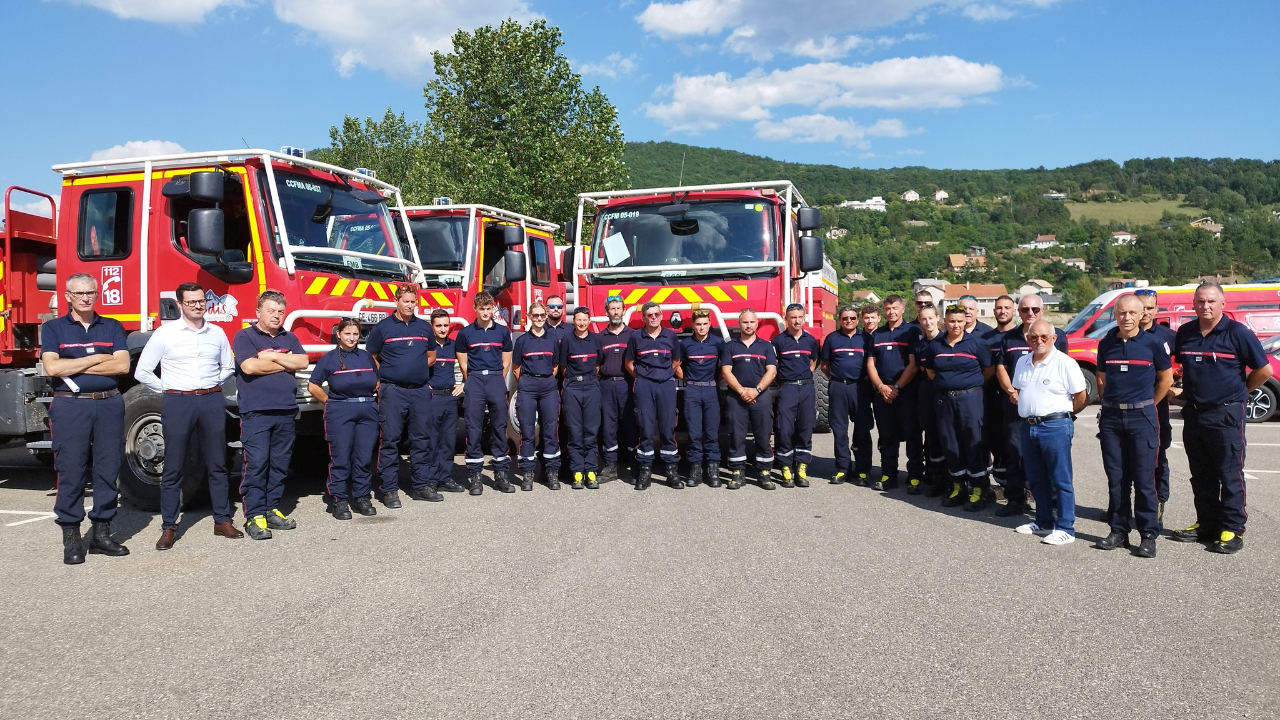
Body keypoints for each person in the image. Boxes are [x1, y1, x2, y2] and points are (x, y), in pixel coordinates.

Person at [136, 282, 239, 551]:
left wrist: (212, 384)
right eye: (191, 302)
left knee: (217, 463)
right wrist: (169, 390)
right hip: (178, 401)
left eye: (201, 301)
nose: (197, 305)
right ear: (180, 304)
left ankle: (222, 520)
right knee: (173, 467)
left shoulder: (216, 333)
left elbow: (228, 365)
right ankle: (169, 526)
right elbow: (143, 371)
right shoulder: (165, 334)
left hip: (211, 400)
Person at [1171, 282, 1272, 554]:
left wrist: (1240, 391)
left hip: (1226, 413)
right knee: (1200, 475)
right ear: (1193, 304)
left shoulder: (1238, 333)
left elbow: (1263, 369)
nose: (1206, 306)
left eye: (1212, 301)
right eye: (1201, 301)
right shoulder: (1186, 333)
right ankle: (1207, 524)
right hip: (1193, 413)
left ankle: (1232, 529)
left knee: (1230, 474)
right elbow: (1182, 367)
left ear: (1223, 304)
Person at [42, 273, 131, 564]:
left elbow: (122, 364)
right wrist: (97, 358)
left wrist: (75, 366)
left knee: (108, 469)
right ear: (68, 296)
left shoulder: (113, 326)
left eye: (90, 293)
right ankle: (71, 538)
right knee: (72, 471)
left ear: (97, 294)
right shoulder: (54, 328)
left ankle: (101, 534)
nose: (85, 298)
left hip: (108, 404)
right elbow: (53, 369)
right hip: (71, 407)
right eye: (79, 293)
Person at [1094, 294, 1173, 558]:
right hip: (1112, 419)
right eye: (1121, 313)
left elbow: (1166, 378)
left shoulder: (1153, 343)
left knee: (1144, 479)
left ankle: (1148, 534)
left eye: (1131, 313)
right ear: (1114, 315)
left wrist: (1149, 403)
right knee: (1116, 479)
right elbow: (1102, 378)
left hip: (1142, 418)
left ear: (1141, 315)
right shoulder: (1107, 344)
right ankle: (1118, 530)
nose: (1126, 317)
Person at [233, 290, 309, 539]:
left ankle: (271, 508)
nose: (276, 316)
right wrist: (284, 361)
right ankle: (254, 516)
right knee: (256, 464)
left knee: (279, 464)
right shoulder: (245, 336)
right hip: (257, 412)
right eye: (271, 311)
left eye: (280, 311)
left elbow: (302, 362)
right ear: (258, 312)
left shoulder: (290, 337)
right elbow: (249, 366)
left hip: (286, 410)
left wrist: (272, 356)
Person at [1012, 319, 1088, 546]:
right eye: (1034, 337)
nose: (1039, 341)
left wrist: (1063, 418)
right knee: (1036, 477)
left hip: (1054, 426)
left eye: (1044, 337)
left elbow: (1081, 396)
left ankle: (1066, 527)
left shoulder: (1065, 363)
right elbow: (1019, 389)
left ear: (1054, 338)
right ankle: (1043, 520)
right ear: (1028, 339)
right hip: (1028, 425)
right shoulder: (1022, 362)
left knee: (1061, 479)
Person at [994, 294, 1068, 516]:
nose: (1030, 313)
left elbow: (1061, 368)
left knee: (1048, 457)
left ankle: (1053, 505)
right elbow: (1001, 368)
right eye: (1025, 310)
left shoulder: (1058, 336)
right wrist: (1011, 391)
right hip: (1015, 405)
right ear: (1019, 312)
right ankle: (1015, 500)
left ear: (1042, 311)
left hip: (1046, 410)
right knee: (1015, 454)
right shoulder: (1009, 338)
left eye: (1035, 309)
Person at [366, 285, 438, 507]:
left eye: (413, 301)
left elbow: (432, 355)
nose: (409, 305)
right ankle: (388, 490)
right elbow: (371, 355)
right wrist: (388, 372)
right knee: (390, 441)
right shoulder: (383, 328)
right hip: (392, 391)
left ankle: (421, 485)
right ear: (396, 301)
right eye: (405, 301)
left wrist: (415, 369)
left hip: (419, 390)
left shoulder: (424, 328)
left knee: (422, 439)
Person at [922, 304, 994, 510]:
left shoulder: (977, 343)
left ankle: (979, 488)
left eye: (960, 321)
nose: (955, 325)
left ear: (966, 322)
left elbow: (987, 370)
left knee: (974, 441)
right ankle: (958, 486)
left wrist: (968, 385)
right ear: (944, 321)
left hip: (970, 400)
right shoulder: (935, 345)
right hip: (944, 401)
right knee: (950, 443)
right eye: (952, 321)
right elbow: (930, 372)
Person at [307, 319, 379, 520]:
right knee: (341, 458)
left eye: (355, 334)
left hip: (367, 410)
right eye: (347, 334)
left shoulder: (366, 357)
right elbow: (313, 386)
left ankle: (362, 496)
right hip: (341, 409)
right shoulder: (330, 359)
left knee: (363, 458)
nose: (352, 338)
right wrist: (329, 402)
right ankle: (339, 499)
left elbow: (377, 380)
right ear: (338, 334)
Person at [457, 292, 515, 494]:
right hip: (475, 380)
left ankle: (501, 474)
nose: (485, 312)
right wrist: (471, 379)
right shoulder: (465, 333)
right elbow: (463, 362)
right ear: (475, 308)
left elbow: (506, 359)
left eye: (488, 308)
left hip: (495, 379)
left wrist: (498, 376)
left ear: (493, 309)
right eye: (481, 308)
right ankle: (475, 475)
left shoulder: (502, 332)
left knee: (499, 426)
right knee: (473, 428)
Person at [865, 295, 923, 491]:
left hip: (905, 392)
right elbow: (870, 364)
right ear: (884, 310)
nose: (891, 312)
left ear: (902, 309)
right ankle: (889, 474)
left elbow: (914, 365)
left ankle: (915, 476)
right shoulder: (877, 334)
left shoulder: (912, 331)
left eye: (895, 308)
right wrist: (881, 386)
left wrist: (897, 387)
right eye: (888, 308)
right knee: (887, 436)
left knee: (912, 434)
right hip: (883, 393)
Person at [626, 301, 681, 490]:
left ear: (661, 315)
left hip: (665, 385)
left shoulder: (671, 336)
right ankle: (645, 472)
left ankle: (671, 471)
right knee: (646, 429)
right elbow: (629, 363)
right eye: (650, 315)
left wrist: (664, 374)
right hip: (644, 386)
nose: (654, 317)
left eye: (657, 314)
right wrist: (643, 377)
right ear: (643, 318)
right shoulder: (636, 337)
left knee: (668, 428)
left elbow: (676, 361)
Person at [721, 309, 778, 490]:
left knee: (763, 435)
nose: (748, 325)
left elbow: (772, 371)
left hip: (760, 397)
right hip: (736, 397)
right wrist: (741, 391)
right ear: (739, 324)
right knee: (736, 436)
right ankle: (737, 473)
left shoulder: (766, 346)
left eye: (752, 322)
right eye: (745, 322)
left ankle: (764, 472)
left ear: (757, 323)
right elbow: (726, 371)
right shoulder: (730, 346)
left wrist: (756, 390)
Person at [1136, 288, 1178, 521]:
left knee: (1157, 458)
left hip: (1156, 407)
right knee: (1127, 460)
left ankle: (1158, 505)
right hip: (1128, 408)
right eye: (1140, 308)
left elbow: (1186, 365)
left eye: (1150, 308)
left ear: (1157, 309)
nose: (1144, 313)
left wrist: (1178, 386)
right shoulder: (1117, 335)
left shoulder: (1168, 336)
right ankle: (1126, 507)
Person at [822, 304, 873, 486]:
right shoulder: (832, 338)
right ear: (839, 320)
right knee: (839, 431)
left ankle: (863, 470)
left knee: (862, 430)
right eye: (845, 318)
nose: (848, 321)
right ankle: (843, 468)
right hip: (838, 387)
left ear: (857, 320)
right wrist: (838, 379)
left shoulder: (867, 338)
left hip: (860, 388)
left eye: (852, 318)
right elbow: (825, 366)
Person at [513, 302, 561, 491]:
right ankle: (527, 473)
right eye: (536, 315)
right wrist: (528, 381)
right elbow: (516, 367)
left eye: (542, 315)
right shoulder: (522, 340)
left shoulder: (553, 339)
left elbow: (556, 366)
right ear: (529, 316)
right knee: (527, 432)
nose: (540, 318)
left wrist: (544, 378)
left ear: (546, 315)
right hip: (528, 386)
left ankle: (551, 472)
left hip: (548, 386)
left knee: (550, 431)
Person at [772, 303, 820, 487]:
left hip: (807, 388)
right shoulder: (778, 341)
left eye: (800, 317)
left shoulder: (810, 340)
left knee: (806, 427)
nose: (797, 320)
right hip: (787, 388)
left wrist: (805, 376)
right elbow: (773, 364)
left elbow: (814, 361)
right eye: (793, 317)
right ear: (786, 319)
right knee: (784, 428)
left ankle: (801, 467)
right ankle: (785, 467)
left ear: (804, 318)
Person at [677, 308, 725, 488]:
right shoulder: (685, 344)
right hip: (692, 392)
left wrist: (715, 380)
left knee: (712, 433)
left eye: (705, 324)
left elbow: (725, 367)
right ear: (692, 325)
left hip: (711, 391)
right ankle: (695, 470)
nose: (702, 327)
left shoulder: (718, 343)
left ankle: (713, 470)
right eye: (698, 324)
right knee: (694, 433)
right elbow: (676, 365)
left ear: (710, 324)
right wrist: (687, 380)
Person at [560, 307, 603, 489]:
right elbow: (562, 367)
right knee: (575, 430)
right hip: (573, 387)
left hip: (591, 386)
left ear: (589, 321)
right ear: (573, 321)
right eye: (578, 320)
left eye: (585, 320)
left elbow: (598, 364)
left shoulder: (596, 339)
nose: (582, 323)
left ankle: (591, 471)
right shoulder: (567, 340)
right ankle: (577, 472)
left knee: (591, 430)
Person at [426, 309, 464, 496]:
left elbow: (467, 366)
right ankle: (431, 479)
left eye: (445, 325)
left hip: (449, 398)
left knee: (448, 440)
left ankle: (445, 477)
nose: (442, 329)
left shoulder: (455, 345)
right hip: (432, 399)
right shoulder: (427, 346)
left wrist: (462, 384)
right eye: (438, 325)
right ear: (432, 327)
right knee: (432, 440)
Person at [598, 295, 634, 483]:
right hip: (606, 385)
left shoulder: (633, 335)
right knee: (608, 426)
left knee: (631, 425)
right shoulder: (600, 337)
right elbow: (597, 364)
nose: (616, 312)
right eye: (612, 309)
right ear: (607, 312)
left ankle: (634, 466)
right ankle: (610, 466)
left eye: (619, 308)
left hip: (627, 384)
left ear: (623, 310)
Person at [983, 296, 1018, 490]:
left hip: (1015, 398)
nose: (1002, 311)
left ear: (1014, 311)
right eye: (998, 308)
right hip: (992, 396)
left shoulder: (1021, 336)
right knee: (996, 442)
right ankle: (1003, 486)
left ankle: (1024, 488)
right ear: (994, 311)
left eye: (1006, 308)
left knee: (1016, 445)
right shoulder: (985, 338)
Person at [913, 304, 947, 496]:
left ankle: (953, 479)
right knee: (932, 436)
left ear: (938, 318)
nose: (927, 322)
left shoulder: (947, 341)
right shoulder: (919, 346)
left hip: (945, 390)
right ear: (919, 321)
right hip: (927, 391)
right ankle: (936, 479)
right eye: (923, 319)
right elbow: (920, 369)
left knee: (948, 436)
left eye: (931, 318)